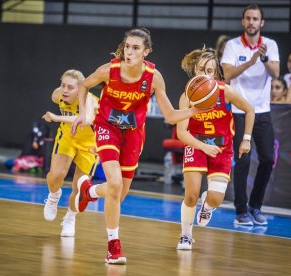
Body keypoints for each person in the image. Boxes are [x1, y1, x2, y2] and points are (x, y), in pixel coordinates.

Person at [70, 28, 204, 264]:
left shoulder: (154, 77)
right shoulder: (108, 70)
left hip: (133, 133)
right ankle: (113, 246)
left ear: (146, 52)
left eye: (135, 48)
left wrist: (193, 110)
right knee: (114, 183)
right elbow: (83, 86)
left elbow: (171, 116)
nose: (129, 51)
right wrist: (83, 112)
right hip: (107, 127)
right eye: (127, 46)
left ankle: (89, 190)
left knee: (118, 195)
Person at [176, 47, 254, 250]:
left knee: (216, 198)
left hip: (222, 149)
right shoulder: (187, 96)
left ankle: (208, 205)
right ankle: (185, 236)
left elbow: (249, 109)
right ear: (195, 70)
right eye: (201, 69)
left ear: (216, 73)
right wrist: (202, 146)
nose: (204, 74)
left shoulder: (225, 91)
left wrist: (246, 139)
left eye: (209, 70)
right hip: (196, 145)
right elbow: (182, 133)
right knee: (191, 194)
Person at [221, 4, 279, 226]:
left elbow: (275, 73)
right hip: (239, 110)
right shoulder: (232, 45)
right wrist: (250, 61)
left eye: (256, 19)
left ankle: (256, 206)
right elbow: (226, 74)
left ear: (261, 23)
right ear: (243, 22)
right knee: (242, 161)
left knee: (268, 159)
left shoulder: (270, 45)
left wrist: (263, 59)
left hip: (262, 110)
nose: (252, 22)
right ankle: (241, 211)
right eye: (248, 18)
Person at [42, 69, 99, 237]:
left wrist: (57, 118)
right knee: (56, 175)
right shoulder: (58, 95)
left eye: (70, 87)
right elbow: (56, 95)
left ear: (81, 88)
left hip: (90, 143)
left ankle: (70, 217)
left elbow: (86, 120)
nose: (65, 90)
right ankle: (54, 195)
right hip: (68, 136)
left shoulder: (88, 99)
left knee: (79, 188)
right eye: (63, 85)